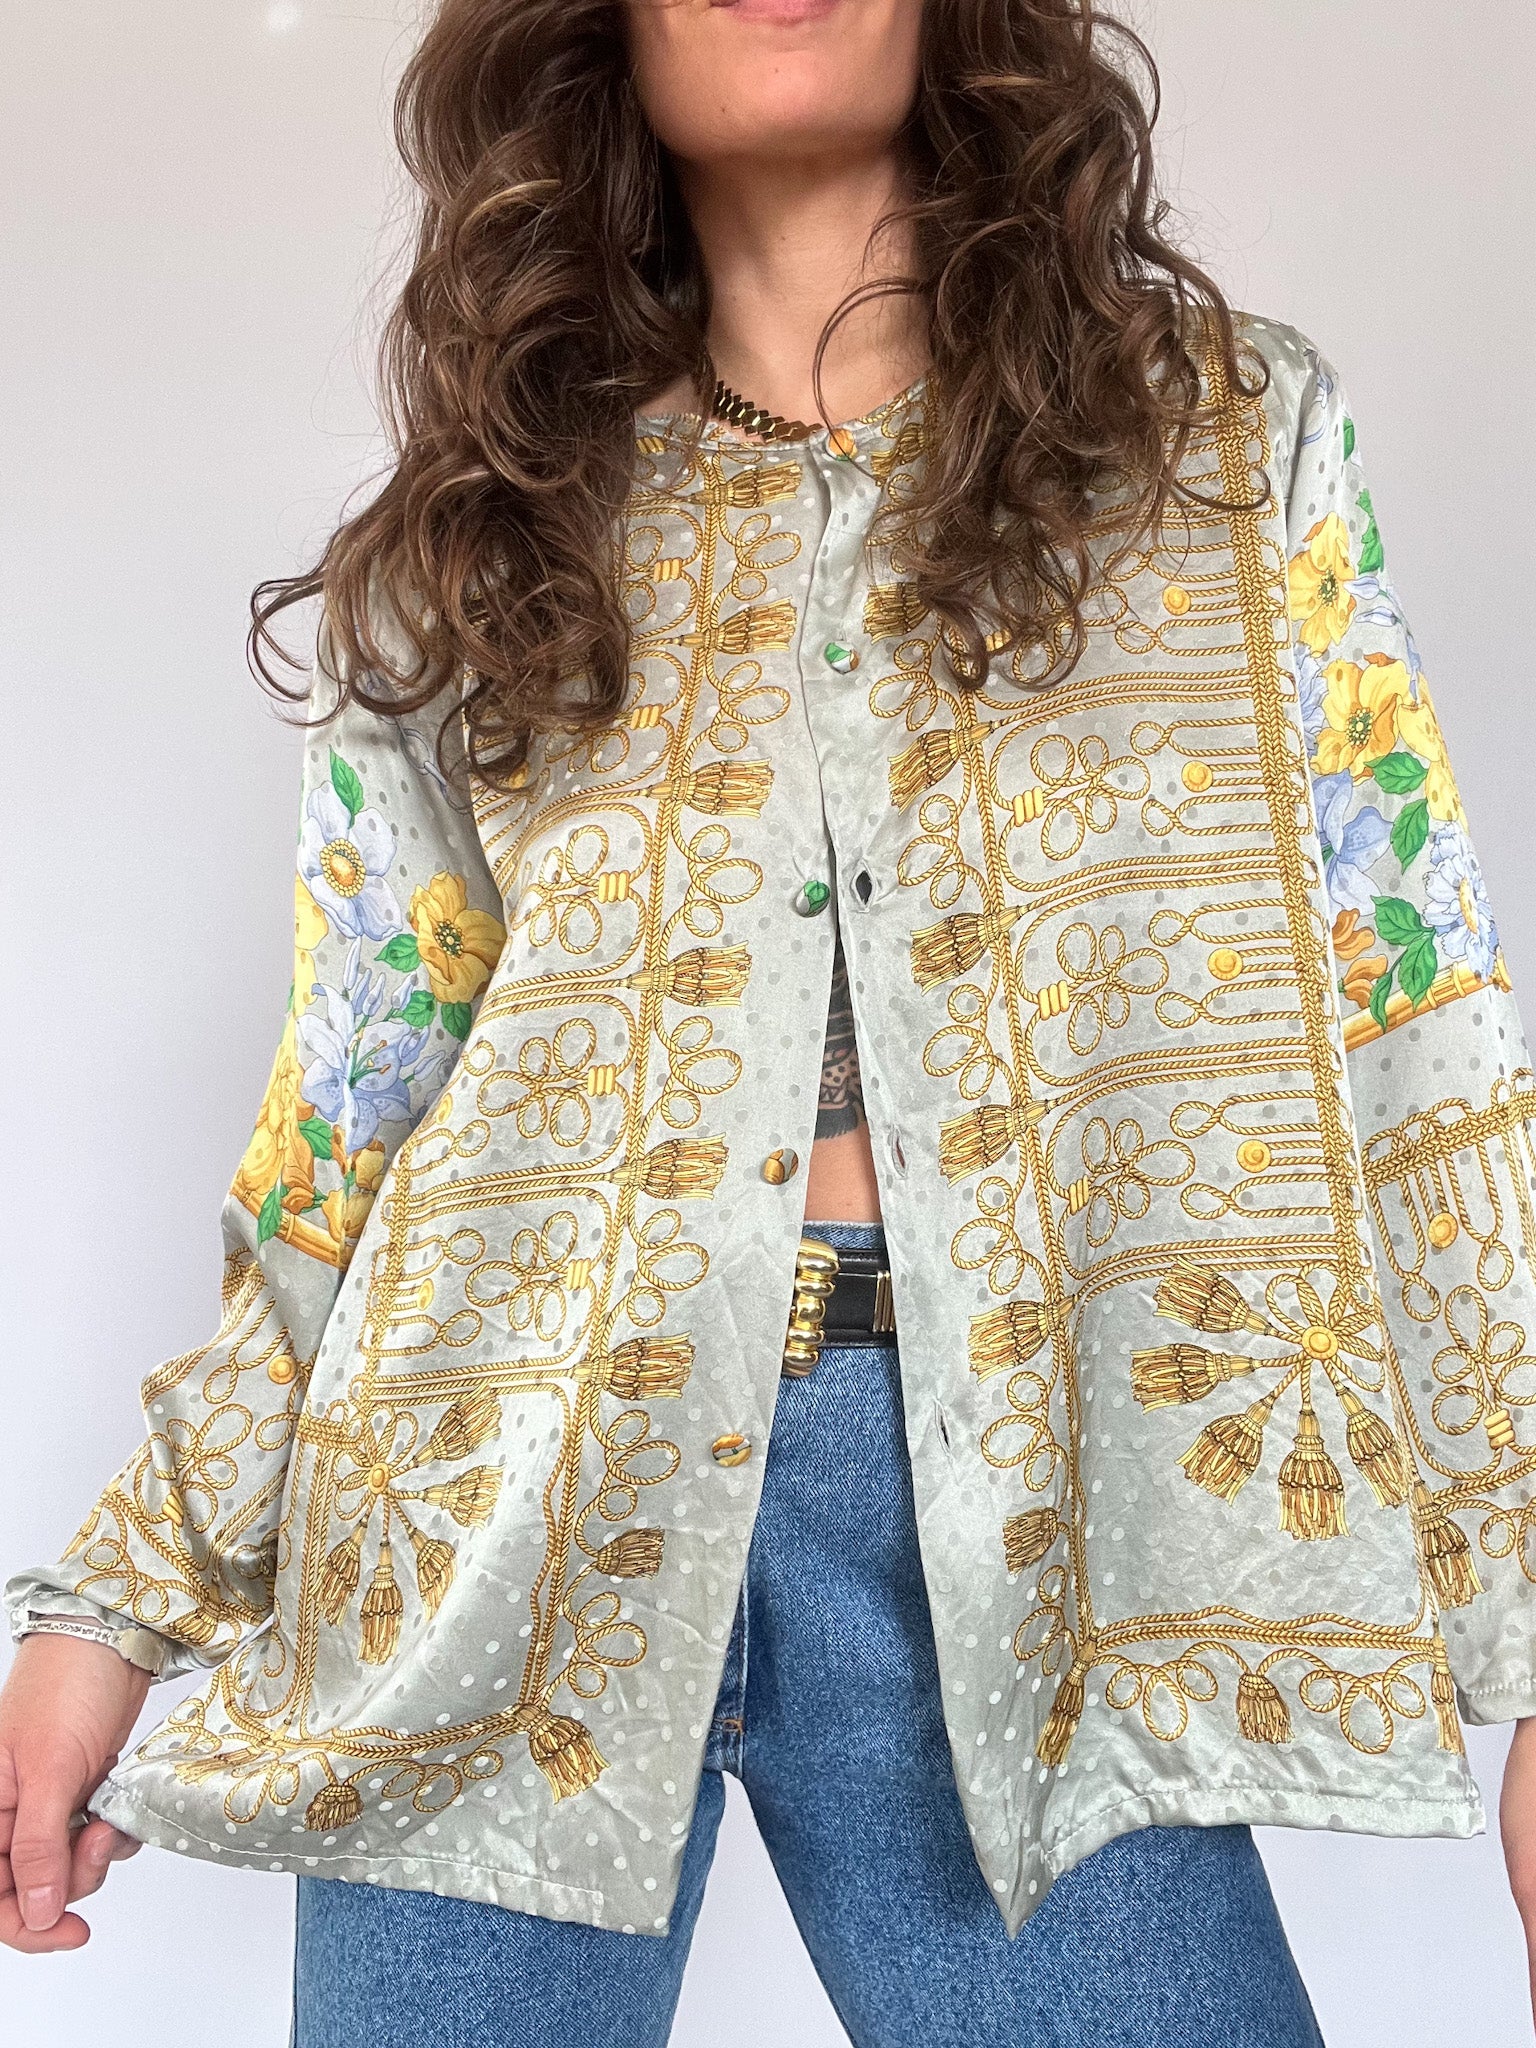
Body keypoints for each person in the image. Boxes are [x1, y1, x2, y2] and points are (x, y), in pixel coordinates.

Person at [4, 1, 1535, 2041]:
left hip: (1019, 1539)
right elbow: (352, 1116)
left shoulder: (1220, 448)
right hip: (495, 1520)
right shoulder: (479, 547)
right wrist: (111, 1608)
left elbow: (1416, 1025)